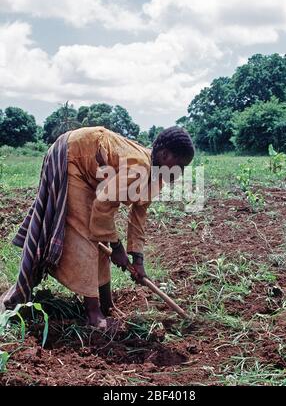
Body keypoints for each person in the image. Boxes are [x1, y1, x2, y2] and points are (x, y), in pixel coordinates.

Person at [1, 126, 195, 329]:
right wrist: (118, 248)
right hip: (71, 155)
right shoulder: (138, 168)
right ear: (164, 155)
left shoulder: (155, 178)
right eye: (179, 166)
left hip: (89, 171)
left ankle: (106, 303)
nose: (179, 173)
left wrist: (137, 259)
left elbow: (139, 216)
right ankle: (93, 314)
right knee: (87, 235)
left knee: (101, 236)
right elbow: (102, 208)